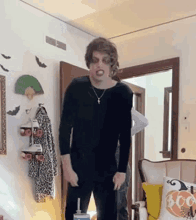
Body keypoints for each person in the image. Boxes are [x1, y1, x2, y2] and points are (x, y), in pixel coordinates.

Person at [59, 37, 133, 220]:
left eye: (105, 60)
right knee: (74, 217)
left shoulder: (123, 93)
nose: (100, 65)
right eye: (95, 60)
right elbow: (64, 130)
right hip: (78, 169)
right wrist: (67, 168)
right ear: (89, 63)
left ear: (112, 64)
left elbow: (125, 135)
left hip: (108, 171)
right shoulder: (76, 88)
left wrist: (122, 170)